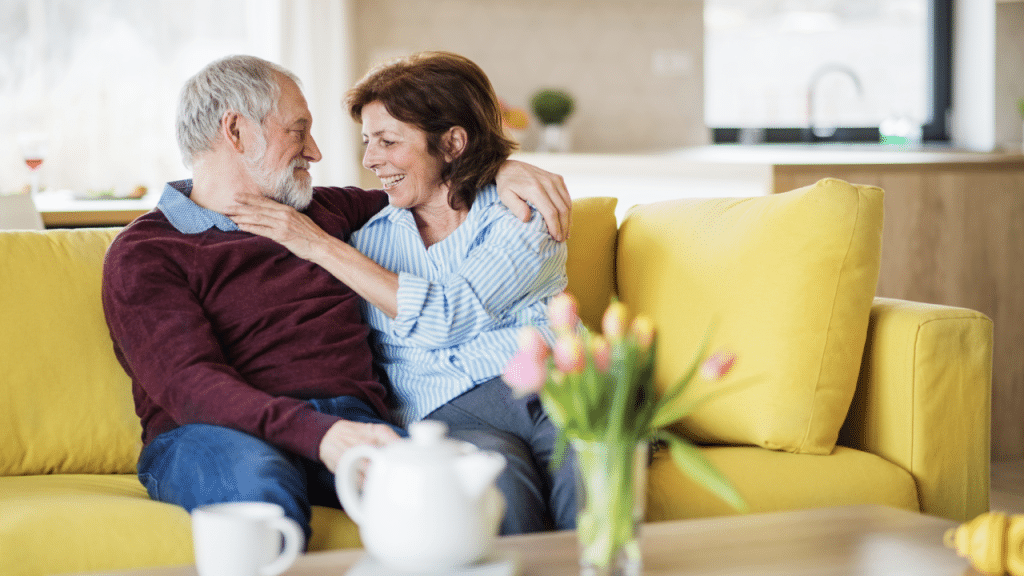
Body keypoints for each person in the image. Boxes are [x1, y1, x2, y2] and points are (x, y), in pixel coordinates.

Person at [100, 54, 571, 544]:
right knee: (259, 486)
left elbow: (431, 181)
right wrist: (318, 433)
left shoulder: (323, 211)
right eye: (298, 131)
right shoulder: (147, 251)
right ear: (236, 132)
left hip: (352, 424)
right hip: (213, 433)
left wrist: (505, 170)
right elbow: (191, 387)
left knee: (475, 483)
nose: (316, 151)